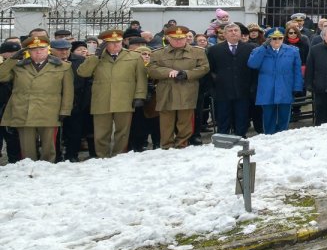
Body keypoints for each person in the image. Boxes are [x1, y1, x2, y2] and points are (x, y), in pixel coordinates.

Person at [76, 29, 148, 158]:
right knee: (101, 132)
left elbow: (141, 79)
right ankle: (101, 156)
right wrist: (95, 57)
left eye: (118, 42)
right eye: (111, 43)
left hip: (124, 99)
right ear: (105, 44)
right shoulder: (96, 58)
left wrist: (140, 96)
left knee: (122, 131)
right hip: (102, 100)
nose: (116, 45)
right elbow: (83, 73)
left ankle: (119, 156)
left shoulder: (134, 56)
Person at [0, 36, 73, 162]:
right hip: (24, 111)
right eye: (34, 49)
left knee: (49, 148)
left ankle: (47, 171)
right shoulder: (18, 66)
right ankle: (29, 171)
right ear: (28, 51)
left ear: (48, 49)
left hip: (49, 111)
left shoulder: (63, 66)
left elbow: (68, 92)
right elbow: (2, 76)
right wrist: (12, 59)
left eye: (42, 48)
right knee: (27, 148)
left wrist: (65, 110)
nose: (38, 52)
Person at [147, 25, 211, 148]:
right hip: (166, 90)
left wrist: (187, 74)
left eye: (181, 38)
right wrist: (167, 72)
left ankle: (182, 144)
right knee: (166, 121)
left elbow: (204, 68)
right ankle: (166, 145)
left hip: (187, 88)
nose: (178, 41)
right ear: (168, 38)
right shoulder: (157, 53)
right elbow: (151, 70)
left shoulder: (198, 52)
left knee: (185, 120)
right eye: (175, 38)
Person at [205, 23, 258, 137]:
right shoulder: (214, 50)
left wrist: (252, 87)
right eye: (230, 31)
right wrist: (213, 89)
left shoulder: (250, 48)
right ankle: (223, 140)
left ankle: (240, 137)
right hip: (222, 91)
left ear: (240, 33)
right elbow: (210, 71)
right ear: (224, 34)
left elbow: (255, 71)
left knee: (242, 117)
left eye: (236, 30)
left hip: (243, 90)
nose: (233, 32)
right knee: (223, 118)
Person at [249, 28, 304, 133]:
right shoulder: (260, 50)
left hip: (285, 87)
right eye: (273, 38)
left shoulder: (293, 51)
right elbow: (252, 64)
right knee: (268, 117)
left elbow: (297, 71)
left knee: (284, 116)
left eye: (280, 38)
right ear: (268, 39)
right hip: (267, 88)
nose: (277, 41)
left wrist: (297, 87)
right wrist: (263, 47)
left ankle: (282, 138)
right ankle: (269, 137)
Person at [0, 40, 21, 162]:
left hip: (10, 105)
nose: (14, 55)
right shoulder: (6, 65)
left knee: (12, 137)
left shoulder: (19, 65)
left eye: (16, 52)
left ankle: (15, 161)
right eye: (11, 52)